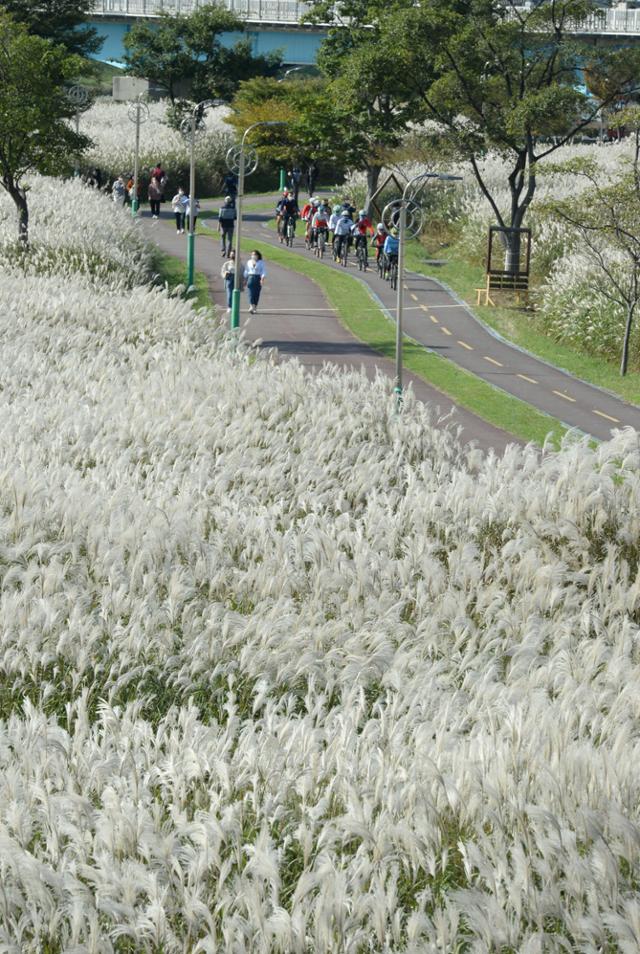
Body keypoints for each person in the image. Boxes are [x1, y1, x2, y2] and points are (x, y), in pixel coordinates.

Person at [244, 249, 266, 314]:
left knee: (256, 293)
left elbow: (263, 271)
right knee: (251, 293)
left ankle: (255, 307)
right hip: (250, 277)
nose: (253, 256)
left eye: (255, 255)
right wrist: (245, 279)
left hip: (258, 277)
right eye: (252, 254)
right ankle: (251, 306)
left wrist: (262, 278)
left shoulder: (261, 262)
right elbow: (246, 271)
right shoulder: (249, 262)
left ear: (258, 255)